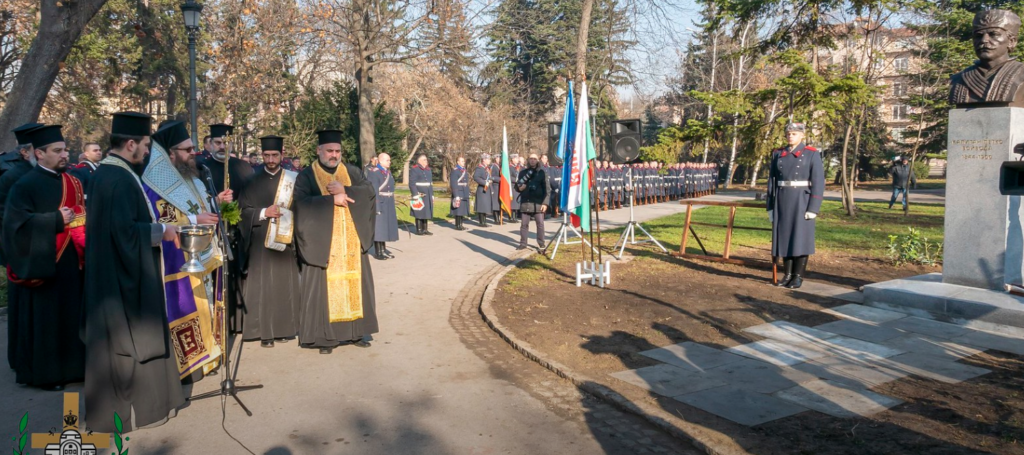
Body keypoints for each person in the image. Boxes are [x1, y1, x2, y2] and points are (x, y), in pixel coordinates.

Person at [82, 112, 186, 432]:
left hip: (109, 272)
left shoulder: (109, 173)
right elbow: (125, 233)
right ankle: (142, 410)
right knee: (132, 340)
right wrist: (162, 231)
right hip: (122, 276)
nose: (147, 152)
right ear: (130, 144)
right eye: (145, 145)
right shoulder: (119, 179)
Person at [141, 120, 230, 378]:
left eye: (193, 148)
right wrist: (194, 220)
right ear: (170, 153)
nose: (194, 153)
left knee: (207, 304)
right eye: (187, 149)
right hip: (178, 259)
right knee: (188, 307)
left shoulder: (193, 178)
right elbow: (162, 222)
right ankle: (191, 365)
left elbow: (201, 208)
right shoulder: (155, 186)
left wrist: (217, 204)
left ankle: (209, 356)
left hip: (202, 255)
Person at [3, 124, 85, 391]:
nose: (65, 154)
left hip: (72, 262)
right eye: (57, 150)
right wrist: (54, 220)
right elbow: (15, 226)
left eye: (65, 149)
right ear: (39, 153)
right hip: (44, 263)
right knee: (46, 320)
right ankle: (48, 375)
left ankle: (74, 368)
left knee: (70, 315)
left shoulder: (72, 180)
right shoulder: (24, 185)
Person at [294, 129, 378, 354]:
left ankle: (355, 333)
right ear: (318, 150)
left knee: (354, 285)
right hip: (324, 246)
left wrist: (346, 189)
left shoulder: (352, 171)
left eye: (337, 151)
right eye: (329, 150)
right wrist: (331, 201)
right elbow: (300, 205)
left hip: (351, 245)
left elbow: (369, 192)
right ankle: (324, 338)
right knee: (324, 292)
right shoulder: (306, 176)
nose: (334, 155)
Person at [236, 135, 301, 348]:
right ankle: (264, 332)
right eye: (266, 155)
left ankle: (283, 329)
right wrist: (264, 212)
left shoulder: (293, 179)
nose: (270, 159)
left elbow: (302, 208)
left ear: (282, 155)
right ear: (262, 155)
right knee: (262, 286)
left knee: (283, 285)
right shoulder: (251, 180)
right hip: (259, 240)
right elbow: (241, 212)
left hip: (285, 239)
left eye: (274, 155)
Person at [767, 122, 825, 290]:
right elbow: (772, 181)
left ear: (802, 135)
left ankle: (798, 276)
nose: (790, 136)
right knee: (785, 238)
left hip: (802, 200)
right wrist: (770, 206)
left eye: (794, 133)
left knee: (800, 238)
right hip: (782, 200)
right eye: (788, 133)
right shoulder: (778, 154)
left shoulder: (811, 154)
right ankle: (787, 274)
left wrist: (813, 207)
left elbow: (818, 182)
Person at [949, 10, 1024, 107]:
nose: (984, 40)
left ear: (1011, 41)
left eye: (994, 34)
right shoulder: (958, 79)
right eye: (978, 36)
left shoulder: (1021, 74)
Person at [366, 152, 398, 258]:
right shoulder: (374, 172)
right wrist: (377, 207)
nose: (389, 162)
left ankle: (383, 250)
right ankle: (379, 252)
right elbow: (374, 191)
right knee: (379, 228)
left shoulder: (387, 172)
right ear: (380, 161)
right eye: (387, 160)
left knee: (385, 228)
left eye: (389, 160)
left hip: (388, 202)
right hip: (380, 202)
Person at [516, 153, 550, 250]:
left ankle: (541, 243)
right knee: (524, 225)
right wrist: (519, 188)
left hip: (538, 203)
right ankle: (523, 243)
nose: (532, 160)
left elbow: (547, 189)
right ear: (528, 160)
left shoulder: (542, 173)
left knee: (540, 224)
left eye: (534, 159)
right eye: (531, 158)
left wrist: (545, 203)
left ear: (537, 160)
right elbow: (517, 186)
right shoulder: (523, 172)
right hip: (525, 202)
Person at [408, 154, 435, 235]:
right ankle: (419, 229)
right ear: (419, 161)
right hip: (419, 193)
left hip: (428, 193)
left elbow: (430, 183)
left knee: (426, 211)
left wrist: (432, 194)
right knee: (419, 211)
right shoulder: (415, 169)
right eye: (424, 160)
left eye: (426, 159)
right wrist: (415, 194)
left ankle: (425, 229)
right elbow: (412, 183)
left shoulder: (428, 170)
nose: (426, 161)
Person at [449, 156, 471, 230]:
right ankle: (457, 225)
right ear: (458, 162)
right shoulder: (455, 171)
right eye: (462, 161)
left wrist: (468, 191)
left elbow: (466, 182)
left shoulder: (464, 170)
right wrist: (456, 195)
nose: (463, 162)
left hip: (464, 191)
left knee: (462, 209)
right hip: (459, 191)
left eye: (464, 161)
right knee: (458, 210)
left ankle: (461, 225)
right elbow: (453, 184)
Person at [473, 154, 495, 227]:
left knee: (485, 206)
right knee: (482, 206)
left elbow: (489, 178)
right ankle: (481, 222)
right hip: (482, 189)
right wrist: (484, 182)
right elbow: (476, 177)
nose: (489, 160)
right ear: (484, 160)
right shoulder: (480, 168)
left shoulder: (487, 168)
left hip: (487, 188)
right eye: (488, 159)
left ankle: (484, 222)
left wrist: (491, 187)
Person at [490, 155, 502, 223]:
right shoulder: (493, 166)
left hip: (500, 186)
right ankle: (496, 219)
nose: (499, 159)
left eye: (500, 158)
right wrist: (500, 179)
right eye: (498, 158)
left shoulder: (500, 166)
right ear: (495, 159)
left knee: (499, 202)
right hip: (495, 186)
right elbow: (491, 176)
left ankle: (500, 218)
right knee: (496, 203)